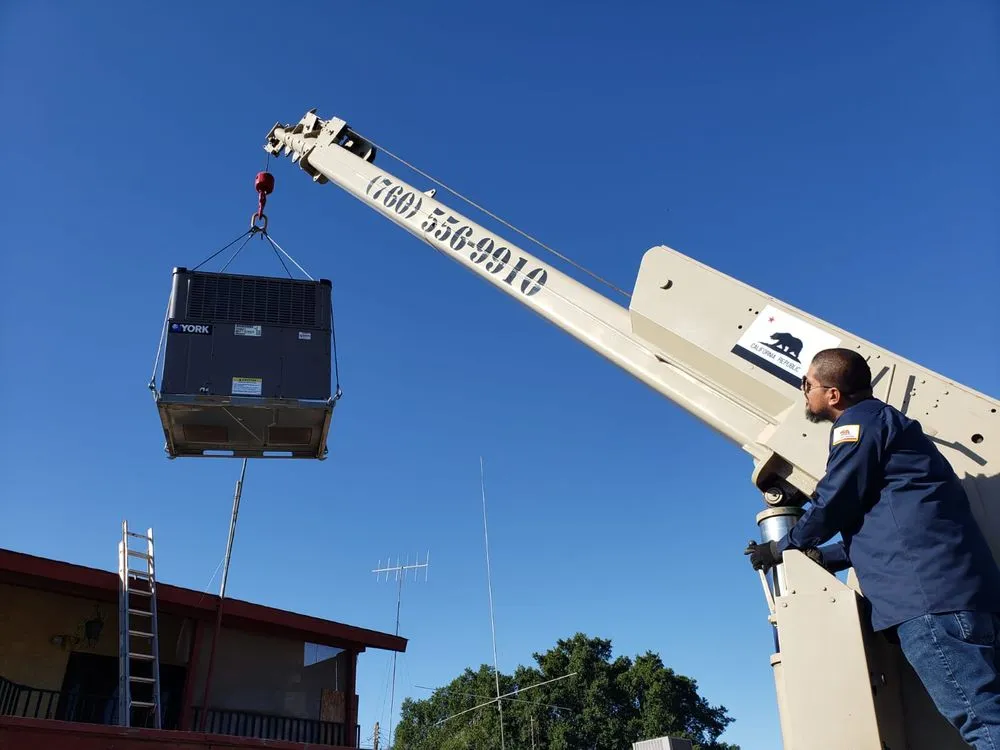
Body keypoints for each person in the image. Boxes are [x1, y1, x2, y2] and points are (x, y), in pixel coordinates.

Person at [744, 347, 1000, 748]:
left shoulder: (857, 425)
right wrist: (821, 556)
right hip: (958, 593)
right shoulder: (897, 432)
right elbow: (892, 528)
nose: (803, 393)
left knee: (984, 724)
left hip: (928, 602)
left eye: (806, 384)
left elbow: (836, 499)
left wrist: (784, 546)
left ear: (832, 395)